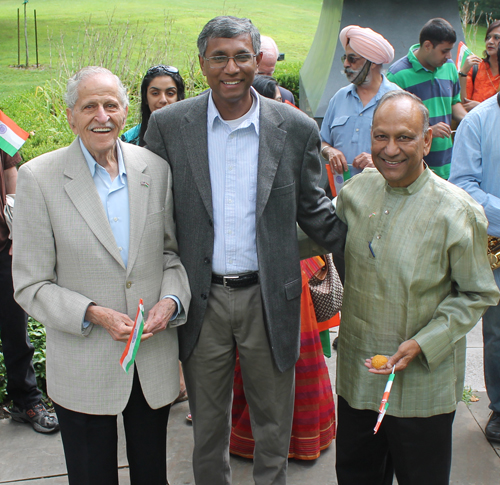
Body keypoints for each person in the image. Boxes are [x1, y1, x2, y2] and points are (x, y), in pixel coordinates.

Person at [144, 15, 346, 485]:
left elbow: (315, 211)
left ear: (257, 60)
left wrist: (370, 249)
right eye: (219, 57)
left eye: (241, 56)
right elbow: (153, 215)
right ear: (202, 63)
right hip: (202, 301)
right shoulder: (171, 126)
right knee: (208, 429)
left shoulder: (294, 128)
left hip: (269, 299)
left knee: (273, 425)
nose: (230, 67)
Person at [12, 66, 191, 485]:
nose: (102, 115)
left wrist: (171, 302)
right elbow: (30, 284)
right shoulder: (39, 178)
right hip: (83, 363)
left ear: (126, 111)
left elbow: (170, 255)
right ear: (70, 115)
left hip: (150, 362)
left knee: (152, 476)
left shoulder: (155, 169)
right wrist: (94, 313)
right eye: (89, 106)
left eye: (111, 105)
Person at [334, 90, 499, 485]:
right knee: (357, 476)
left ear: (427, 141)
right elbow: (312, 235)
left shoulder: (456, 211)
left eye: (405, 137)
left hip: (423, 385)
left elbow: (479, 293)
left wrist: (425, 342)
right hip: (360, 380)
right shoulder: (356, 192)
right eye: (380, 137)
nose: (390, 149)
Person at [229, 76, 336, 461]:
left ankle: (300, 440)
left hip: (290, 269)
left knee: (296, 358)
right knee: (248, 365)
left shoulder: (295, 133)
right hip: (238, 278)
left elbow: (317, 205)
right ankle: (251, 439)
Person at [449, 92, 500, 445]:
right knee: (498, 331)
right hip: (497, 245)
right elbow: (464, 185)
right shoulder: (479, 120)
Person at [0, 147, 59, 434]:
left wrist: (16, 230)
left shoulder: (1, 129)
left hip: (2, 248)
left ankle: (26, 400)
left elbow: (12, 180)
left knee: (14, 330)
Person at [388, 18, 467, 180]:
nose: (449, 56)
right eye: (444, 51)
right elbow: (391, 124)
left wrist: (470, 120)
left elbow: (454, 103)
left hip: (447, 164)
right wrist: (427, 130)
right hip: (414, 169)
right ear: (427, 46)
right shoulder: (397, 75)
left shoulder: (450, 67)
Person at [320, 25, 399, 180]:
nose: (345, 65)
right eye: (345, 58)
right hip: (342, 196)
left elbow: (411, 154)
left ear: (373, 62)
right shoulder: (339, 98)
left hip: (384, 194)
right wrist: (330, 151)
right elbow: (323, 141)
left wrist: (379, 163)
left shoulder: (398, 101)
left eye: (352, 59)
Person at [121, 64, 185, 146]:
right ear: (145, 98)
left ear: (179, 97)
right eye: (155, 93)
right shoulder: (129, 141)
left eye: (170, 93)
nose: (163, 100)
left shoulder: (192, 136)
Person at [458, 20, 500, 111]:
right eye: (488, 37)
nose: (490, 41)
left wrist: (480, 106)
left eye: (496, 38)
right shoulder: (475, 67)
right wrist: (463, 72)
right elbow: (464, 104)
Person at [258, 35, 295, 104]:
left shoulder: (285, 97)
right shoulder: (237, 96)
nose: (266, 79)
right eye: (260, 74)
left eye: (269, 73)